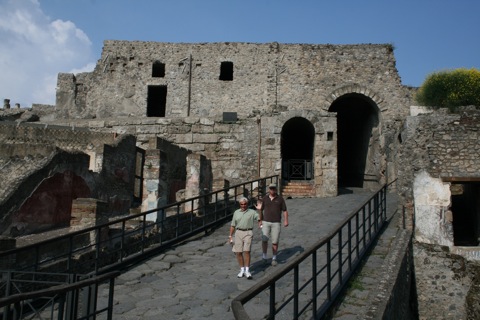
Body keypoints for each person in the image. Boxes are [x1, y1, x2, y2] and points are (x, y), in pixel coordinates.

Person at [256, 183, 289, 266]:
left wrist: (286, 220)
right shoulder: (265, 199)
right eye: (271, 188)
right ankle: (264, 256)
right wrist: (260, 220)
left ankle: (274, 258)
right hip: (266, 221)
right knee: (264, 240)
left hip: (276, 222)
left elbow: (284, 210)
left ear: (276, 189)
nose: (272, 190)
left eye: (273, 188)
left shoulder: (280, 199)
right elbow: (260, 210)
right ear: (269, 189)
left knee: (275, 241)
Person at [229, 197, 261, 279]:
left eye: (245, 204)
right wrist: (230, 236)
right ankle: (242, 269)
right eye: (241, 204)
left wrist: (260, 210)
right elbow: (233, 225)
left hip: (248, 232)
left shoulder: (252, 212)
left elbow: (260, 218)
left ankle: (247, 270)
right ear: (239, 205)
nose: (243, 206)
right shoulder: (236, 212)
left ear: (247, 204)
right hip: (238, 232)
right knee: (238, 252)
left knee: (247, 251)